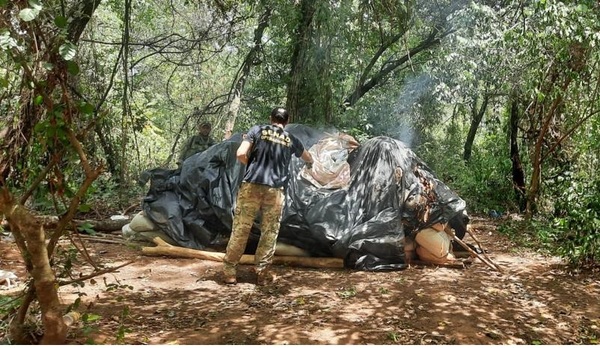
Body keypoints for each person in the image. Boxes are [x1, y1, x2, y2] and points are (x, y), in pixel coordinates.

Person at [222, 107, 314, 285]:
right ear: (286, 122)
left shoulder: (257, 130)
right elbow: (307, 157)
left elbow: (240, 153)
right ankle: (262, 274)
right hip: (275, 191)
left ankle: (230, 271)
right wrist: (311, 162)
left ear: (270, 118)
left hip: (252, 186)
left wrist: (252, 165)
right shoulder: (291, 138)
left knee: (241, 228)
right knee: (269, 232)